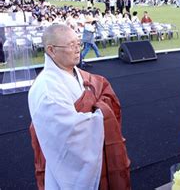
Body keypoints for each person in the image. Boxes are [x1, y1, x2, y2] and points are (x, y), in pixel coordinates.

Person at [28, 24, 130, 189]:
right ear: (51, 50)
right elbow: (70, 134)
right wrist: (102, 113)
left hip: (96, 155)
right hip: (70, 170)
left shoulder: (78, 74)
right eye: (71, 45)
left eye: (78, 44)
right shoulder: (46, 89)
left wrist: (99, 105)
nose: (77, 50)